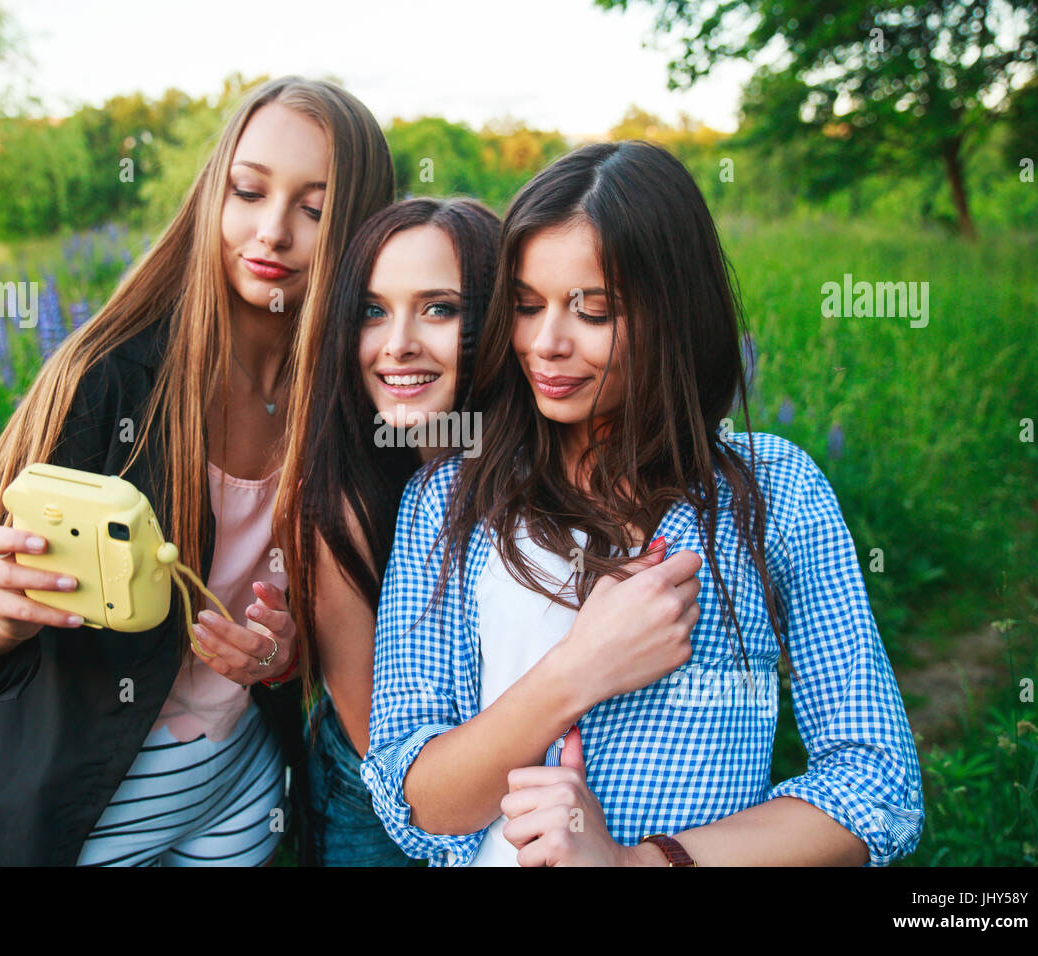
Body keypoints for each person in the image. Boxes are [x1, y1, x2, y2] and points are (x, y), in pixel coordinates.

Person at [361, 141, 924, 866]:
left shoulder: (774, 493)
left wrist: (640, 863)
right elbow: (418, 802)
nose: (546, 344)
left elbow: (877, 787)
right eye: (527, 306)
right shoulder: (451, 498)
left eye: (593, 311)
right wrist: (580, 669)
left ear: (673, 311)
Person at [0, 76, 395, 865]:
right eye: (248, 191)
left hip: (241, 793)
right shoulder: (105, 379)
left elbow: (345, 625)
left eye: (315, 208)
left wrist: (282, 657)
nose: (272, 232)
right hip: (84, 803)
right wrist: (3, 612)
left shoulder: (355, 401)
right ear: (213, 195)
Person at [275, 198, 500, 865]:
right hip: (376, 804)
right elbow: (394, 763)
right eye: (372, 311)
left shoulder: (529, 469)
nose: (397, 342)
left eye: (439, 308)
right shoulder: (342, 499)